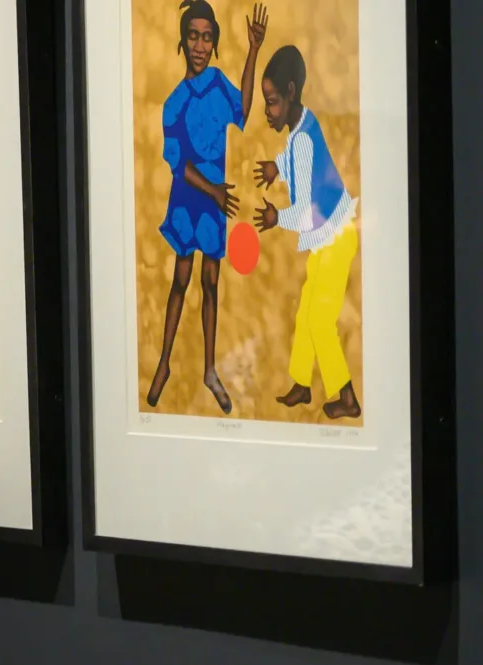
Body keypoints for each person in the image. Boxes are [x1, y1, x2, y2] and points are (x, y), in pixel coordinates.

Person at [145, 1, 268, 413]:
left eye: (207, 37)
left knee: (211, 283)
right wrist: (213, 190)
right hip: (189, 200)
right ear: (182, 41)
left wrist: (253, 50)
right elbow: (177, 162)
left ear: (215, 44)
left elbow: (244, 111)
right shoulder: (173, 102)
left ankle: (210, 370)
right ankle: (164, 364)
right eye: (193, 36)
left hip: (215, 203)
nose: (200, 44)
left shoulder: (217, 84)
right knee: (180, 280)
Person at [252, 44, 361, 419]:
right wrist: (276, 168)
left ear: (291, 92)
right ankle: (301, 384)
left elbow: (302, 214)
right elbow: (299, 157)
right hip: (331, 235)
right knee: (306, 313)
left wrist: (273, 218)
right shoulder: (304, 123)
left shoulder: (299, 140)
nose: (268, 111)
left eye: (271, 102)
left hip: (333, 236)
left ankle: (346, 395)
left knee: (320, 319)